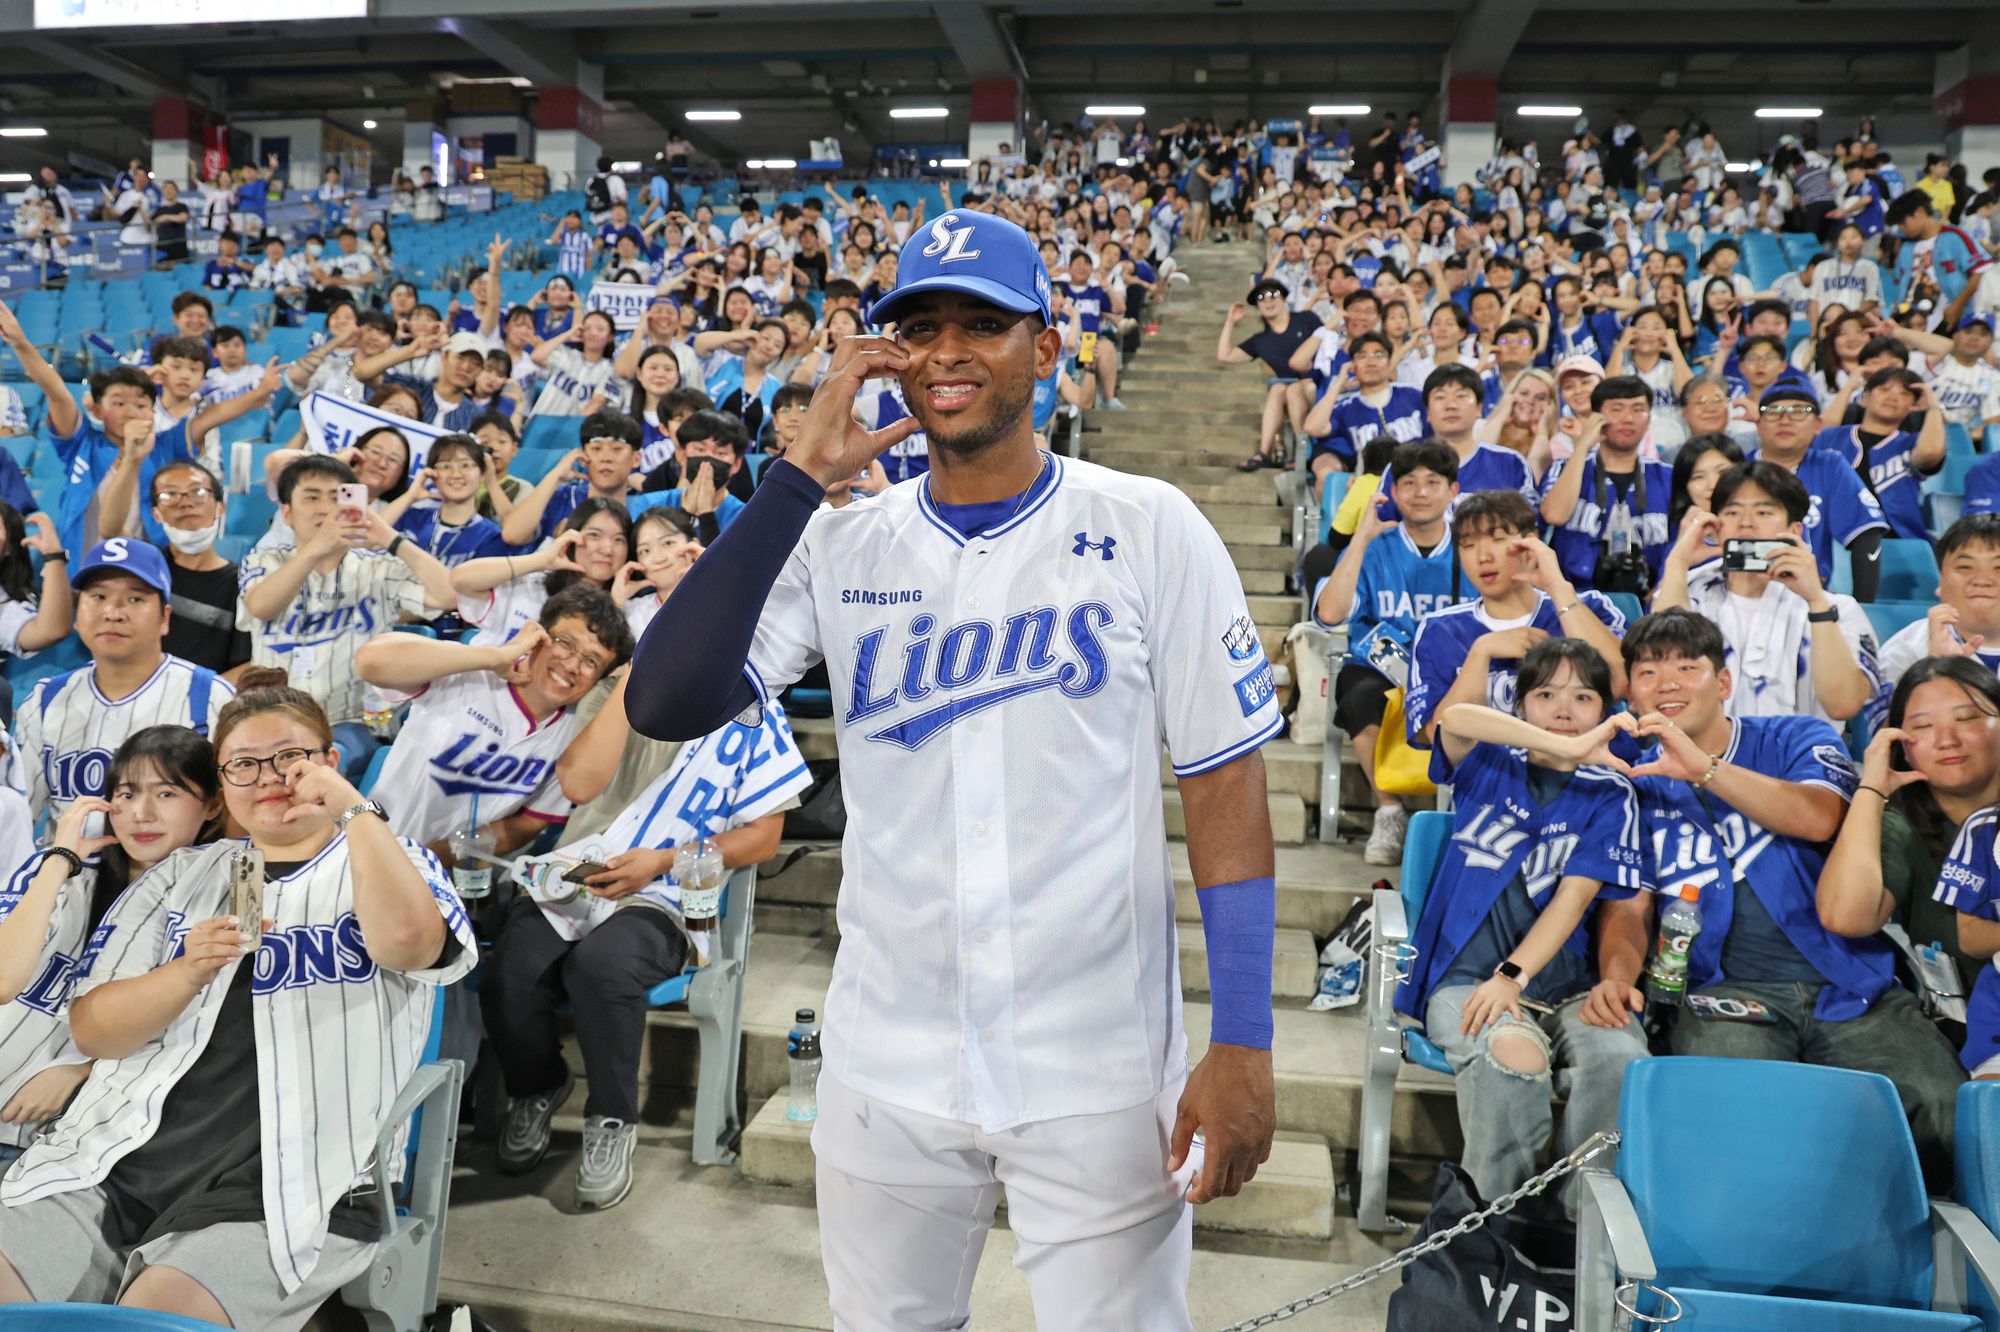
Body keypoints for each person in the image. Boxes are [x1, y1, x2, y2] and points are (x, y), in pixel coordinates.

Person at [626, 209, 1282, 1327]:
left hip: (1096, 1066)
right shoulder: (841, 540)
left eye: (982, 323)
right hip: (888, 1054)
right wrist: (792, 480)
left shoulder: (1147, 525)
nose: (945, 352)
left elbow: (1222, 782)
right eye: (917, 326)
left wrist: (1244, 1040)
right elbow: (667, 697)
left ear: (1044, 341)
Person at [0, 679, 475, 1327]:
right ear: (224, 786)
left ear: (330, 763)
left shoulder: (396, 861)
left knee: (157, 1319)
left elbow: (412, 943)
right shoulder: (183, 875)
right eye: (244, 765)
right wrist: (187, 971)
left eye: (291, 757)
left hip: (290, 1185)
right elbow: (95, 1030)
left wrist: (353, 810)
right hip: (114, 1160)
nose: (270, 777)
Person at [1620, 608, 1964, 1187]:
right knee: (1748, 1122)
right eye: (1648, 672)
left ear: (1724, 683)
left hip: (1851, 989)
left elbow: (1820, 814)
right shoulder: (1625, 773)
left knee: (1943, 1106)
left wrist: (1703, 769)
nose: (1667, 683)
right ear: (1629, 690)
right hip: (1719, 995)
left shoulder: (1795, 735)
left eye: (1687, 666)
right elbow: (1622, 900)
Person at [486, 661, 807, 1209]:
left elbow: (764, 840)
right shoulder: (616, 690)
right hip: (580, 871)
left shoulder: (753, 712)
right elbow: (579, 782)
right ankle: (537, 1086)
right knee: (511, 968)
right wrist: (635, 677)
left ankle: (611, 1119)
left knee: (602, 965)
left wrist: (660, 862)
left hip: (670, 892)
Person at [1402, 639, 1652, 1213]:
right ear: (1520, 707)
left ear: (1607, 711)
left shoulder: (1613, 795)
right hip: (1465, 977)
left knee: (1620, 1060)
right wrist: (1564, 745)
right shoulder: (1488, 762)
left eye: (1583, 697)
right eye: (1545, 695)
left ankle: (1581, 1230)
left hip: (1562, 987)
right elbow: (1456, 717)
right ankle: (1483, 1227)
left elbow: (1574, 900)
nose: (1564, 709)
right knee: (1515, 1059)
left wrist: (1513, 977)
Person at [0, 727, 224, 1168]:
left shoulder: (216, 899)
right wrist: (59, 861)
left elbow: (192, 1037)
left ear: (212, 805)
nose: (141, 814)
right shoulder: (61, 872)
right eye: (126, 793)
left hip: (55, 1143)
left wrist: (83, 1069)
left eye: (166, 794)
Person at [354, 584, 630, 852]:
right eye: (565, 643)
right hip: (372, 847)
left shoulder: (575, 734)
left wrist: (441, 855)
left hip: (450, 878)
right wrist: (494, 656)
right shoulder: (473, 672)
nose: (571, 665)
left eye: (591, 662)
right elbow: (370, 659)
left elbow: (531, 822)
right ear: (538, 635)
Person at [236, 456, 457, 782]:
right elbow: (261, 606)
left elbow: (449, 596)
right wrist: (315, 549)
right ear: (287, 513)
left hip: (349, 724)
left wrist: (390, 539)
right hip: (269, 716)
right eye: (311, 497)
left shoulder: (376, 567)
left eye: (336, 497)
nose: (325, 508)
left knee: (306, 771)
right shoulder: (264, 559)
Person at [1821, 658, 2000, 1043]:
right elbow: (1845, 916)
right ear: (1902, 745)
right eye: (1922, 726)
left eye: (1966, 719)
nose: (1946, 739)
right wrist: (1871, 788)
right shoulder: (1900, 824)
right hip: (1975, 1037)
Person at [1311, 440, 1460, 865]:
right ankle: (1390, 810)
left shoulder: (1472, 548)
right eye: (1408, 482)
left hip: (1454, 670)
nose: (1420, 491)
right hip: (1385, 670)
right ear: (1392, 493)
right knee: (1357, 693)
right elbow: (1330, 612)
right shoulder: (1376, 548)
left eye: (1433, 481)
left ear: (1453, 491)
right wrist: (1360, 537)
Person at [9, 540, 233, 822]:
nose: (113, 613)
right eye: (98, 597)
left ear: (165, 618)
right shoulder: (45, 700)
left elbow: (233, 818)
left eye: (134, 599)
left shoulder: (214, 698)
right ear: (78, 614)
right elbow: (14, 815)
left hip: (180, 866)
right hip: (68, 865)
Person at [1654, 461, 1881, 725]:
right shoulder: (1687, 592)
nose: (1746, 523)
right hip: (1702, 758)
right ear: (1715, 528)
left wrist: (1816, 601)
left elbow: (1844, 705)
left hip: (1800, 760)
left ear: (1794, 530)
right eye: (1732, 512)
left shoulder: (1836, 608)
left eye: (1763, 512)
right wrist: (1678, 561)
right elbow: (1663, 672)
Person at [1405, 489, 1628, 748]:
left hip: (1592, 774)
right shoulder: (1439, 630)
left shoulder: (1591, 606)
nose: (1483, 556)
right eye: (1468, 545)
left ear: (1530, 544)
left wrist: (1557, 587)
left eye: (1498, 539)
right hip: (1491, 779)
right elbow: (1436, 737)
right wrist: (1481, 652)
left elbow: (1620, 682)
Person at [1537, 375, 1674, 597]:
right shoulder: (1565, 468)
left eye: (1638, 409)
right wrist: (1582, 446)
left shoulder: (1668, 477)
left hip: (1649, 603)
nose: (1628, 418)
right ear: (1596, 417)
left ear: (1649, 419)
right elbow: (1554, 515)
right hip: (1575, 600)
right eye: (1617, 409)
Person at [1748, 384, 1888, 599]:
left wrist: (1862, 605)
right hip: (1744, 591)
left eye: (1799, 411)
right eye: (1774, 411)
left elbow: (1867, 534)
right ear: (1758, 424)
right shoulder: (1738, 468)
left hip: (1807, 596)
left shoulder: (1830, 465)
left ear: (1818, 425)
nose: (1785, 420)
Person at [453, 500, 633, 648]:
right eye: (595, 535)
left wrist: (616, 607)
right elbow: (461, 580)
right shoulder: (528, 587)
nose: (607, 549)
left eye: (619, 539)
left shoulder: (631, 611)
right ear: (571, 536)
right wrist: (541, 561)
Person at [1875, 518, 2000, 722]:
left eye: (1999, 568)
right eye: (1965, 567)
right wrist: (1933, 670)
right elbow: (1888, 743)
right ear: (1940, 582)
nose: (1982, 580)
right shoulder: (1906, 649)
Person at [1812, 366, 1947, 542]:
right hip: (1832, 536)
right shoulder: (1833, 436)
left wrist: (1933, 406)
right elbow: (1817, 431)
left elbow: (1931, 452)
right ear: (1866, 397)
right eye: (1884, 389)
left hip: (1896, 541)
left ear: (1913, 406)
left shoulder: (1910, 443)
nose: (1893, 397)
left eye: (1904, 394)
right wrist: (1849, 387)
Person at [1300, 331, 1425, 494]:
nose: (1371, 362)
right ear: (1352, 365)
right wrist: (1337, 385)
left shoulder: (1413, 396)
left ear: (1389, 362)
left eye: (1378, 354)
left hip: (1420, 483)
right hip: (1369, 490)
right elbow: (1312, 428)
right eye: (1362, 356)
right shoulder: (1346, 408)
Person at [1219, 278, 1321, 470]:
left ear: (1283, 298)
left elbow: (1328, 343)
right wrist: (1230, 322)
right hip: (1291, 389)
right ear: (1257, 306)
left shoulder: (1306, 319)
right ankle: (1263, 452)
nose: (1268, 300)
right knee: (1278, 390)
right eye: (1261, 297)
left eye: (1273, 294)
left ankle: (1305, 452)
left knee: (1290, 390)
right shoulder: (1261, 340)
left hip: (1317, 384)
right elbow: (1224, 356)